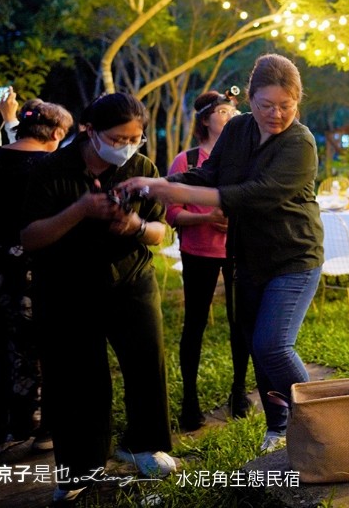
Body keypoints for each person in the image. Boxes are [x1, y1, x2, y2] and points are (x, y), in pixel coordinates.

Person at [117, 54, 324, 454]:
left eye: (285, 105)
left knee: (273, 345)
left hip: (294, 257)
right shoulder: (239, 129)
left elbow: (258, 194)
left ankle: (323, 418)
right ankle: (278, 426)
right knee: (257, 347)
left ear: (297, 101)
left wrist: (181, 192)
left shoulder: (300, 142)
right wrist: (159, 184)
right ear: (249, 98)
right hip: (247, 258)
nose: (276, 114)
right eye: (266, 105)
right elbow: (209, 174)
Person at [20, 93, 174, 503]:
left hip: (131, 279)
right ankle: (78, 470)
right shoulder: (50, 169)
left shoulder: (141, 168)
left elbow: (160, 231)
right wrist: (80, 211)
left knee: (146, 362)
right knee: (76, 378)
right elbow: (30, 237)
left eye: (135, 138)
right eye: (118, 139)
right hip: (66, 287)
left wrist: (136, 226)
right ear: (90, 131)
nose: (127, 146)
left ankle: (143, 445)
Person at [0, 100, 73, 457]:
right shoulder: (53, 166)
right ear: (57, 133)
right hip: (32, 265)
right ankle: (42, 429)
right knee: (38, 347)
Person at [166, 90, 251, 430]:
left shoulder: (243, 158)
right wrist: (207, 217)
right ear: (205, 120)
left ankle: (239, 391)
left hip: (238, 250)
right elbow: (172, 213)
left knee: (240, 323)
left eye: (233, 110)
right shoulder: (186, 160)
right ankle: (189, 400)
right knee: (195, 324)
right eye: (223, 111)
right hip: (198, 252)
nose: (231, 116)